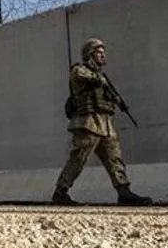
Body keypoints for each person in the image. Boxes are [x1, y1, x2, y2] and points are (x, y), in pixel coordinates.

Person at [52, 38, 153, 206]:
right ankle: (60, 192)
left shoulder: (101, 76)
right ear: (89, 55)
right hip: (88, 124)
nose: (103, 55)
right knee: (78, 159)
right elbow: (80, 75)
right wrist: (99, 79)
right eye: (98, 52)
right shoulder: (80, 71)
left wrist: (116, 100)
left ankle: (124, 191)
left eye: (103, 52)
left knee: (115, 158)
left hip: (105, 124)